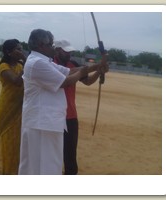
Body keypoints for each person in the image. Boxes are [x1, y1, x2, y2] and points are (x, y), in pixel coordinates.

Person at [18, 29, 108, 175]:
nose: (53, 48)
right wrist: (84, 71)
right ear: (41, 45)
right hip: (42, 123)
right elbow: (65, 81)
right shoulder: (37, 63)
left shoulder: (42, 61)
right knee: (44, 167)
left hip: (47, 122)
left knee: (45, 165)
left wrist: (98, 66)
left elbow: (68, 71)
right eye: (51, 44)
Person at [54, 39, 109, 175]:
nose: (69, 54)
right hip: (53, 116)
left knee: (70, 154)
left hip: (70, 116)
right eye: (66, 51)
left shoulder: (74, 63)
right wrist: (97, 65)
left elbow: (88, 81)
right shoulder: (50, 63)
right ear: (57, 50)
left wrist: (98, 71)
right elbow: (69, 72)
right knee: (52, 153)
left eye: (70, 51)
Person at [0, 39, 26, 175]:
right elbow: (17, 81)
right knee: (9, 145)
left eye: (21, 49)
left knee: (19, 144)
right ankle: (8, 174)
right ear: (8, 52)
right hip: (7, 109)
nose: (21, 51)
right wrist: (27, 64)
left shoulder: (20, 65)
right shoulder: (4, 66)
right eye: (18, 49)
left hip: (20, 109)